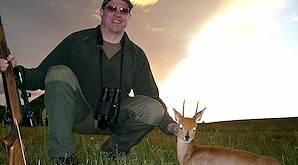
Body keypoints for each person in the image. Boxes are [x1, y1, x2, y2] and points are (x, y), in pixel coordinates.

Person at [0, 0, 179, 164]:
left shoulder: (136, 55)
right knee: (58, 72)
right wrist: (14, 71)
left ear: (129, 17)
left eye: (124, 11)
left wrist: (169, 124)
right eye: (112, 8)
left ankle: (113, 150)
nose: (118, 14)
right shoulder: (77, 41)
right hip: (81, 115)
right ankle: (64, 156)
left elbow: (151, 96)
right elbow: (42, 74)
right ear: (101, 12)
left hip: (115, 119)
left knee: (153, 108)